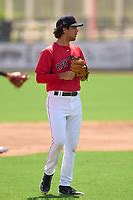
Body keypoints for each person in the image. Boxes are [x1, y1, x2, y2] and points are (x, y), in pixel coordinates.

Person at [35, 15, 88, 195]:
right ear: (64, 29)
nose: (77, 30)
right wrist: (60, 75)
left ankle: (65, 185)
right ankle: (48, 174)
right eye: (74, 27)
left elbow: (83, 72)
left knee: (72, 145)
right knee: (59, 141)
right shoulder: (48, 52)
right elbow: (39, 77)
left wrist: (83, 72)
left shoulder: (77, 50)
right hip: (56, 100)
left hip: (75, 100)